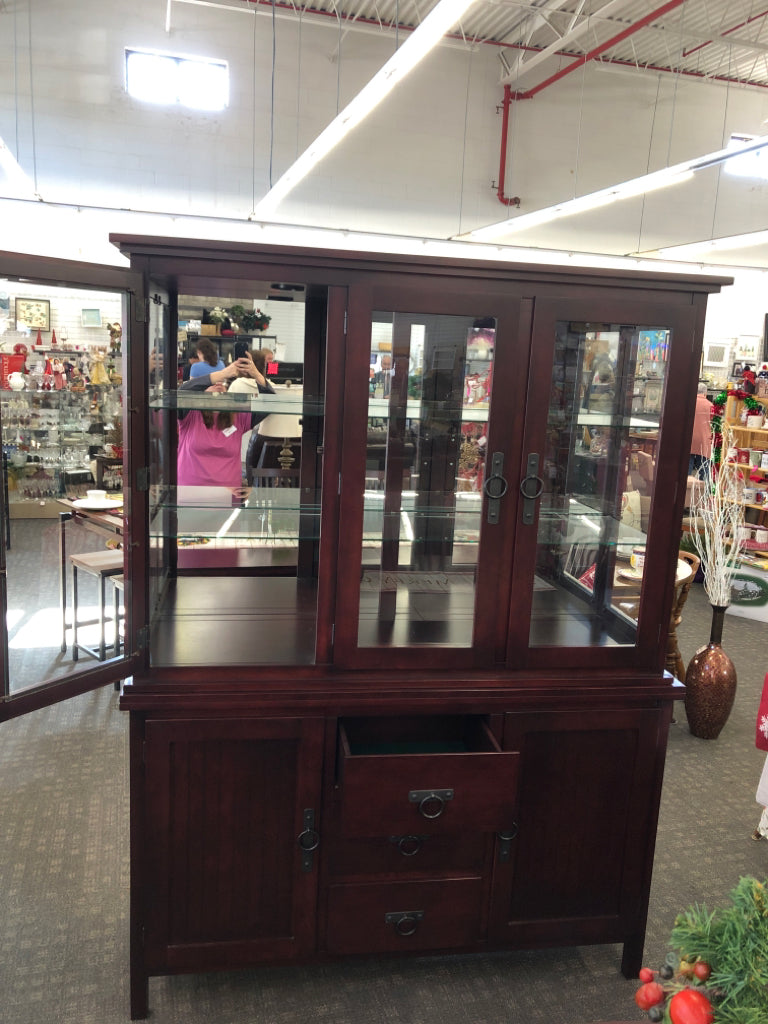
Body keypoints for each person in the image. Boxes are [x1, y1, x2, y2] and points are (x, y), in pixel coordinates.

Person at [689, 382, 712, 478]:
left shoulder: (689, 403)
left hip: (689, 439)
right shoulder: (710, 405)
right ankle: (704, 491)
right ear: (705, 393)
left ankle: (686, 491)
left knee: (687, 469)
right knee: (704, 470)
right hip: (704, 440)